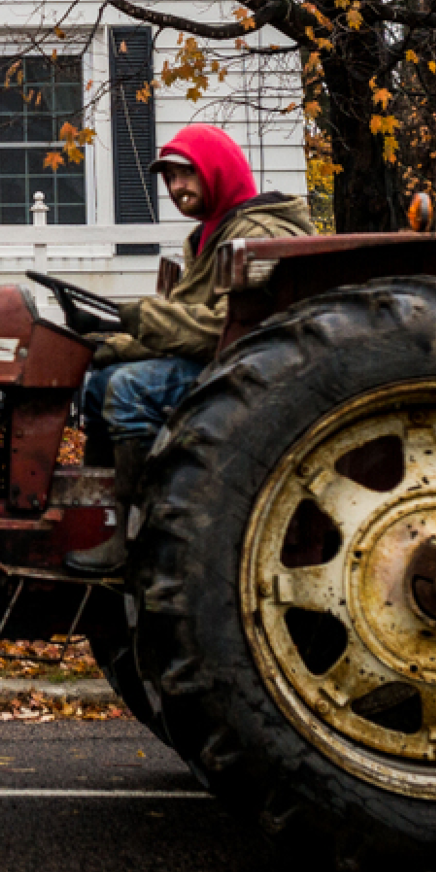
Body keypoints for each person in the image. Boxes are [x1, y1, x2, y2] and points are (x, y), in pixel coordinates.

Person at [67, 123, 315, 573]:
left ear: (216, 170)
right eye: (170, 179)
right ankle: (95, 518)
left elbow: (222, 328)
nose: (176, 188)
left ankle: (137, 538)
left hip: (249, 373)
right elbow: (182, 321)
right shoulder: (210, 235)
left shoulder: (256, 234)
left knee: (127, 389)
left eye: (186, 174)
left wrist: (137, 317)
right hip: (218, 359)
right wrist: (108, 343)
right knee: (98, 380)